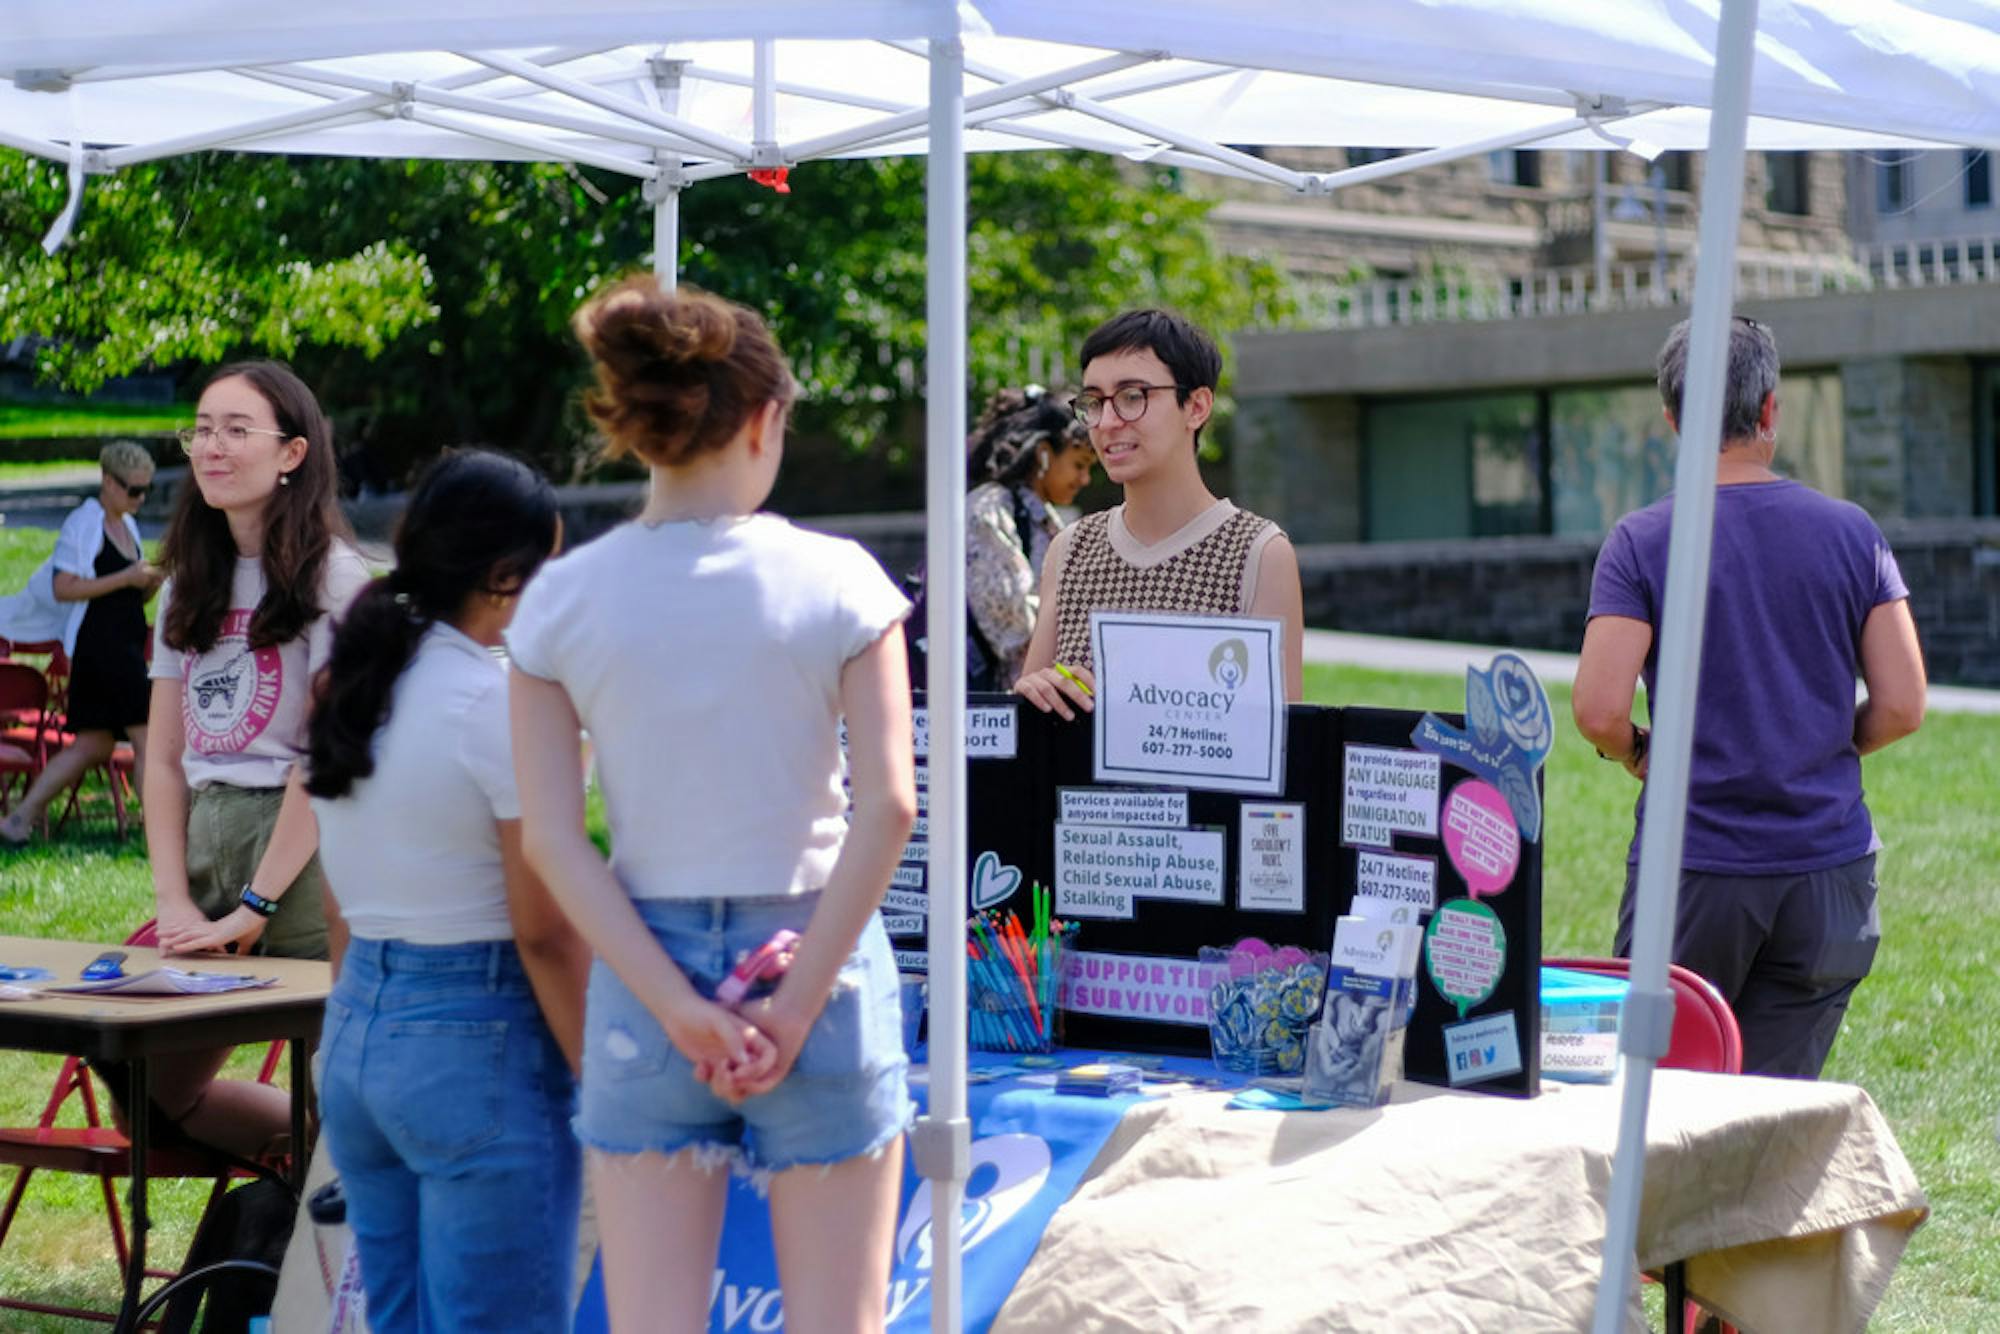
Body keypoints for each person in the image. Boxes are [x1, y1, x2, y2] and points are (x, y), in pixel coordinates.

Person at [509, 276, 917, 1334]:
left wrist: (679, 1006)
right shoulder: (840, 578)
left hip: (647, 976)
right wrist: (788, 1008)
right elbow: (889, 808)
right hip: (814, 959)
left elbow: (554, 837)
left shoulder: (558, 597)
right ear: (765, 416)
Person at [1572, 315, 1927, 1079]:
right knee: (1770, 1120)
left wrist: (1639, 752)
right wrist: (1830, 741)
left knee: (1655, 1108)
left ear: (1672, 419)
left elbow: (1598, 710)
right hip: (1828, 877)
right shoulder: (1851, 532)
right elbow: (1902, 703)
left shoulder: (1640, 542)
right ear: (1770, 409)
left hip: (1694, 871)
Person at [307, 449, 587, 1333]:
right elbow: (542, 929)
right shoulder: (492, 706)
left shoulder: (363, 681)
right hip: (476, 1036)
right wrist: (599, 1075)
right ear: (505, 576)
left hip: (359, 1033)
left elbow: (340, 905)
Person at [135, 360, 371, 1157]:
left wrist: (257, 907)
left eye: (237, 430)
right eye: (202, 429)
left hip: (305, 857)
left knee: (337, 1077)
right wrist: (175, 900)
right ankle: (300, 1173)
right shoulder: (184, 584)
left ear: (292, 454)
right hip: (212, 838)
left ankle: (322, 1219)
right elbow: (164, 759)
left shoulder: (336, 578)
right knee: (157, 1096)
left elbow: (325, 757)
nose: (212, 446)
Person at [1012, 309, 1304, 717]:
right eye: (1094, 401)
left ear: (1197, 407)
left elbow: (1282, 742)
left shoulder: (1257, 552)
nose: (1107, 421)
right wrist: (1036, 691)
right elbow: (1029, 713)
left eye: (1133, 396)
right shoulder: (1071, 549)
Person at [0, 441, 163, 843]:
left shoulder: (128, 526)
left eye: (147, 491)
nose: (140, 499)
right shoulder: (84, 523)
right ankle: (158, 836)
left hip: (124, 642)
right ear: (107, 481)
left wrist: (147, 583)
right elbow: (64, 587)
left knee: (93, 745)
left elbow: (126, 595)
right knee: (147, 738)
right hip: (101, 648)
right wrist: (127, 577)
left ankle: (18, 820)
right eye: (133, 489)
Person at [959, 385, 1095, 689]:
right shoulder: (988, 511)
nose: (1085, 479)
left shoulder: (1044, 518)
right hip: (991, 713)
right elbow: (1015, 627)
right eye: (1079, 464)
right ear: (1044, 454)